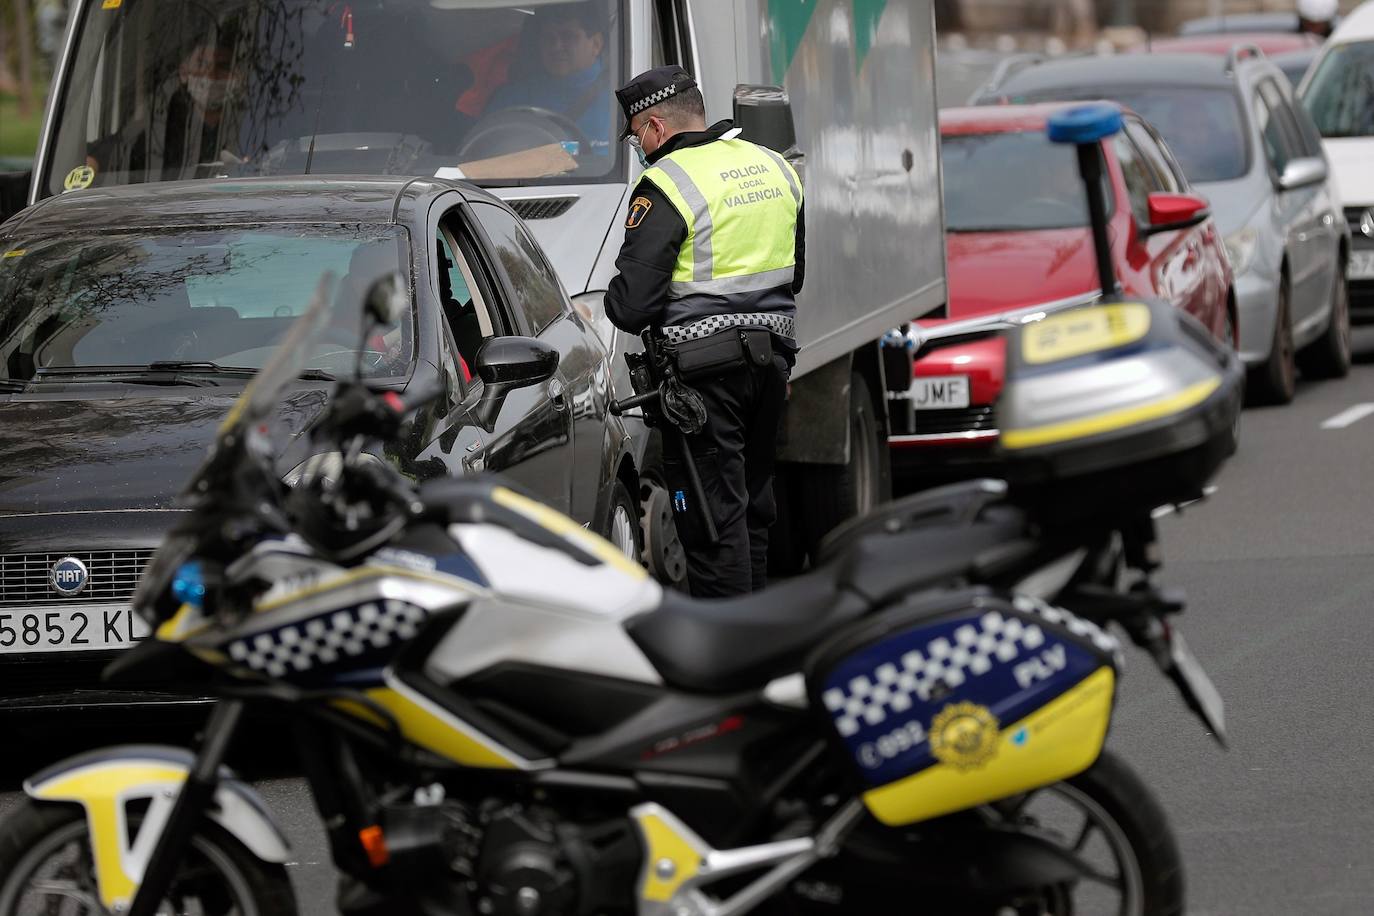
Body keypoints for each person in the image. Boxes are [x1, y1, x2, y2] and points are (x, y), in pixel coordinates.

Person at [604, 66, 805, 598]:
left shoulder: (666, 183)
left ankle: (730, 656)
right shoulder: (774, 166)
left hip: (703, 382)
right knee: (752, 512)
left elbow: (631, 307)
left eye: (635, 137)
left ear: (651, 128)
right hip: (771, 365)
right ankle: (757, 636)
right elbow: (794, 275)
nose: (640, 148)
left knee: (712, 525)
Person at [484, 4, 611, 147]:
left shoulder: (622, 99)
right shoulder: (512, 97)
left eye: (568, 37)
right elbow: (483, 151)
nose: (556, 46)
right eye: (548, 37)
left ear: (596, 44)